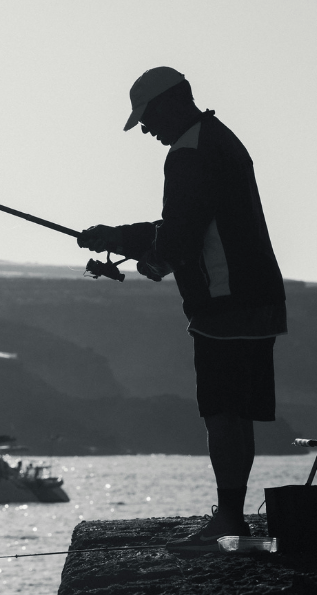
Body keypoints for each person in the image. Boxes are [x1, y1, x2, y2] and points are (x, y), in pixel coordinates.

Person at [77, 67, 287, 553]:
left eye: (148, 117)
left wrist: (121, 238)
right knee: (238, 414)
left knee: (220, 413)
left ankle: (230, 520)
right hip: (257, 298)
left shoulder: (189, 152)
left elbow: (179, 234)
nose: (147, 129)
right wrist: (144, 246)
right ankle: (234, 517)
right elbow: (190, 229)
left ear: (174, 102)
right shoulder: (221, 139)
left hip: (224, 302)